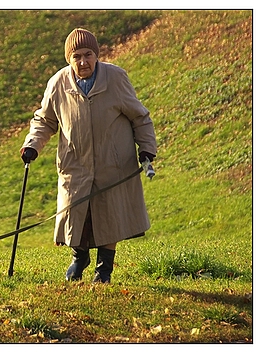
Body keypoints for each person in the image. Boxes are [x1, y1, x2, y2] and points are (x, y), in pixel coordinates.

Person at [20, 28, 157, 283]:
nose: (83, 62)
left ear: (97, 55)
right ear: (68, 59)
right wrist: (32, 145)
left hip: (113, 163)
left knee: (110, 216)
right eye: (76, 57)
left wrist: (146, 148)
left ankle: (104, 270)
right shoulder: (58, 83)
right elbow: (44, 120)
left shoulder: (115, 78)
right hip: (75, 164)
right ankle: (79, 257)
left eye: (88, 55)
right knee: (77, 215)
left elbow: (140, 116)